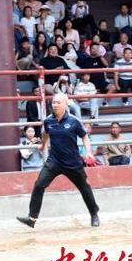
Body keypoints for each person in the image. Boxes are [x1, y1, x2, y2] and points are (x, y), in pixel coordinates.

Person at [16, 93, 100, 228]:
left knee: (84, 188)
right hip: (54, 161)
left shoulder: (74, 121)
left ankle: (94, 214)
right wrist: (43, 145)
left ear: (66, 104)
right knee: (39, 185)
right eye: (53, 102)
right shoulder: (48, 121)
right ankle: (32, 218)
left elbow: (84, 137)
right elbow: (45, 133)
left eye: (58, 103)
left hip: (72, 162)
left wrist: (89, 152)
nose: (54, 105)